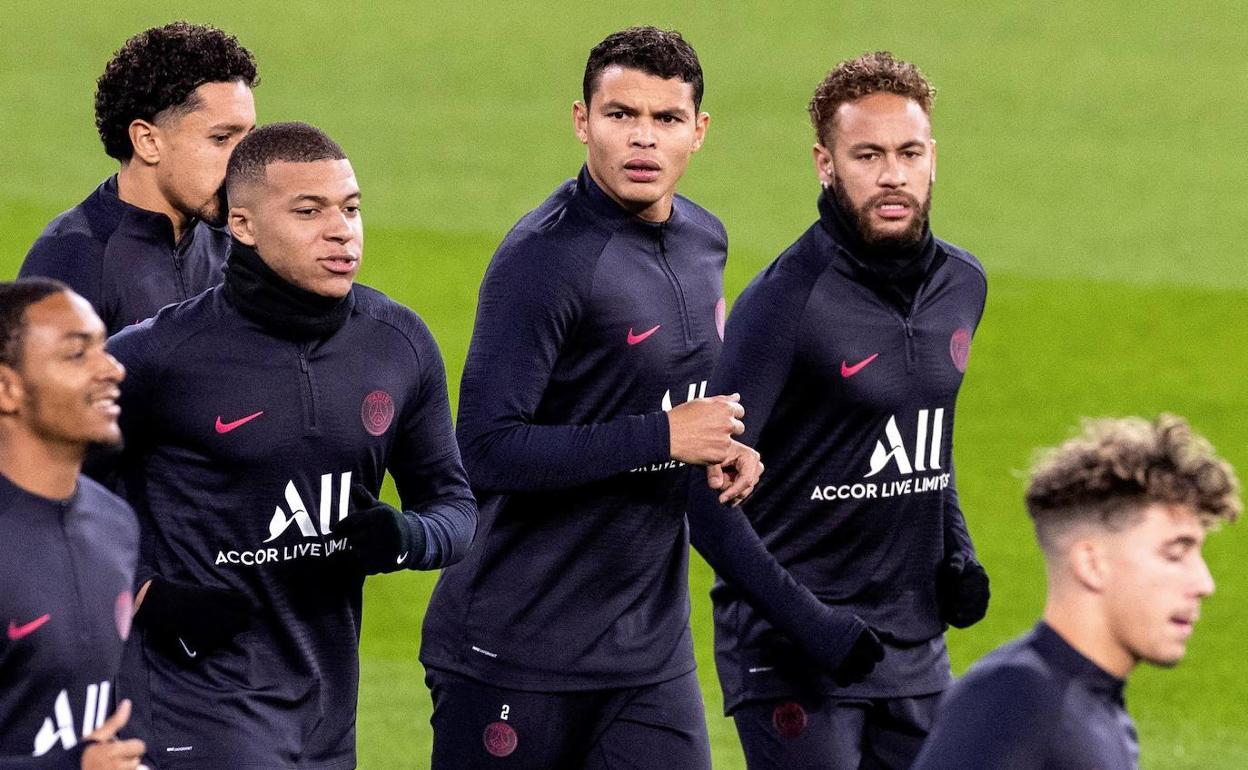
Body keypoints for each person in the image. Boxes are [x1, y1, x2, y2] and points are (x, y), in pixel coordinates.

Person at [421, 27, 880, 770]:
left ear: (698, 132)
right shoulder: (542, 261)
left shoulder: (706, 240)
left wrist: (725, 445)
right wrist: (663, 437)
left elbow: (684, 393)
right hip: (512, 650)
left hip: (647, 658)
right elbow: (485, 447)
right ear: (581, 121)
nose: (643, 139)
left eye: (666, 119)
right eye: (620, 115)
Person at [101, 122, 477, 769]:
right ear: (242, 224)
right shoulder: (157, 357)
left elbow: (455, 505)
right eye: (309, 211)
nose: (341, 230)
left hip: (327, 710)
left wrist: (406, 538)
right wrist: (143, 595)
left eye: (350, 208)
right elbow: (35, 499)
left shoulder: (397, 343)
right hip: (196, 704)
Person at [693, 52, 990, 769]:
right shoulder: (785, 303)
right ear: (826, 164)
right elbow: (703, 504)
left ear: (932, 159)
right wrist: (815, 627)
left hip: (914, 653)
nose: (892, 174)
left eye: (908, 152)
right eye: (868, 155)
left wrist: (958, 548)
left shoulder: (963, 284)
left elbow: (921, 440)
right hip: (792, 655)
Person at [913, 414, 1239, 769]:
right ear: (1091, 564)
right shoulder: (1015, 701)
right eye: (1175, 553)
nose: (1204, 584)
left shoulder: (1093, 708)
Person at [20, 22, 258, 335]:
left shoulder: (242, 243)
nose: (244, 159)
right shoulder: (73, 259)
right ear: (147, 141)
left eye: (248, 137)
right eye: (221, 138)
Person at [0, 279, 146, 769]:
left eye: (104, 347)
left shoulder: (114, 524)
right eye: (77, 354)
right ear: (7, 388)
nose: (112, 368)